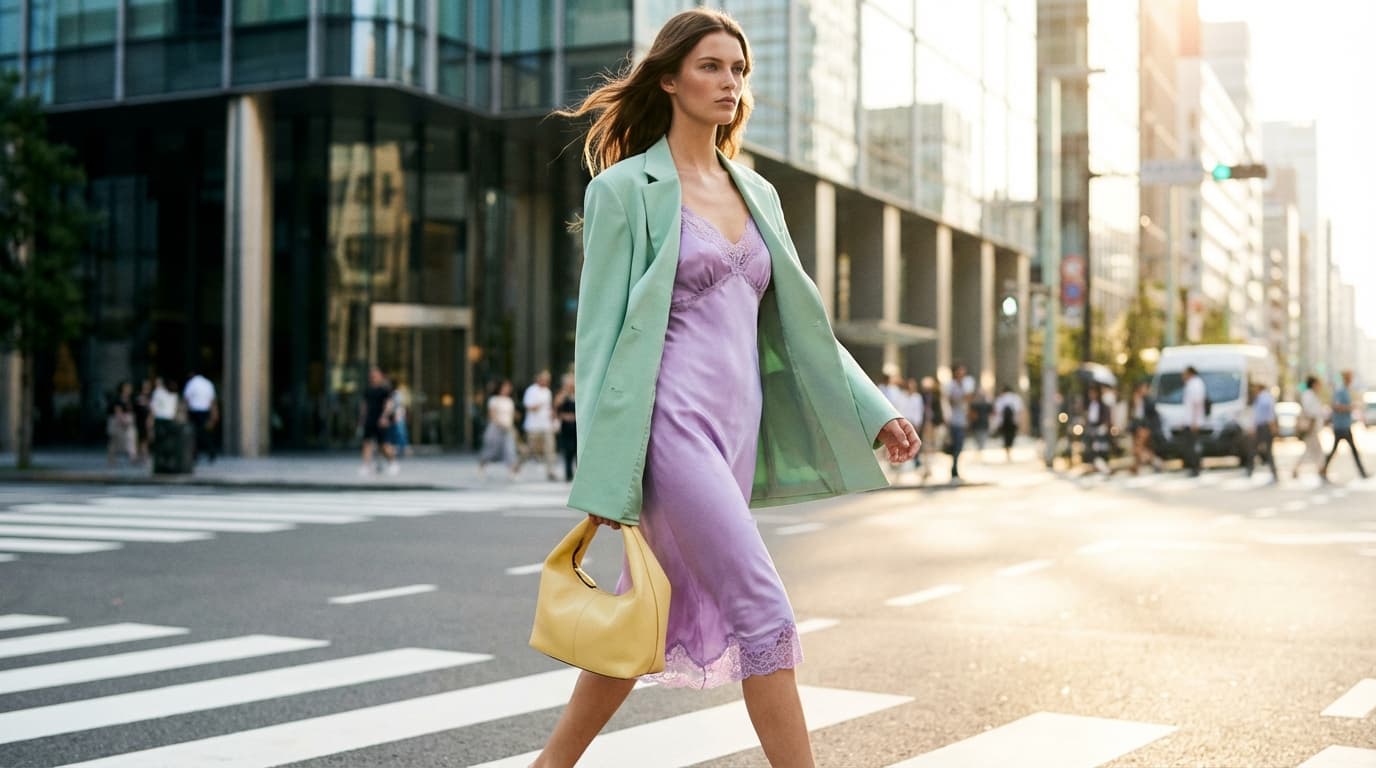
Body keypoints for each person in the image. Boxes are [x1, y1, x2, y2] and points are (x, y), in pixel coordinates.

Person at [534, 11, 919, 768]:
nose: (729, 83)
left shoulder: (759, 193)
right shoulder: (625, 190)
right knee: (763, 610)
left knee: (653, 609)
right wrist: (607, 475)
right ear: (670, 78)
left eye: (738, 70)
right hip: (670, 427)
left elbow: (804, 327)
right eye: (711, 67)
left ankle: (551, 765)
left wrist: (877, 410)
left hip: (735, 431)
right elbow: (601, 337)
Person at [1320, 369, 1367, 480]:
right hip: (1341, 426)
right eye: (1350, 377)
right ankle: (1362, 473)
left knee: (1336, 450)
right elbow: (1336, 406)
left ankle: (1323, 469)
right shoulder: (1340, 391)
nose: (1351, 380)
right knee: (1351, 450)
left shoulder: (1345, 390)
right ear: (1346, 378)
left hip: (1345, 425)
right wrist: (1350, 407)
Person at [358, 366, 398, 476]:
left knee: (384, 445)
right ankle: (365, 466)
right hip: (370, 420)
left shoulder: (385, 390)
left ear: (380, 376)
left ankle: (393, 463)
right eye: (371, 376)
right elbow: (364, 406)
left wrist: (384, 417)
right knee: (367, 443)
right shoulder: (368, 390)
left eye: (375, 375)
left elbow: (389, 404)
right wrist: (362, 419)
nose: (373, 378)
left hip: (381, 420)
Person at [521, 370, 559, 481]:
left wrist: (553, 416)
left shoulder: (547, 392)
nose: (546, 382)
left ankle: (550, 471)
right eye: (544, 379)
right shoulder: (531, 390)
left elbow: (549, 408)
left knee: (550, 449)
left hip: (546, 425)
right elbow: (529, 407)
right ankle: (517, 465)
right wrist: (538, 406)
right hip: (533, 426)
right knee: (530, 449)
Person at [478, 380, 519, 480]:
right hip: (496, 428)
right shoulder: (494, 400)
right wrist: (500, 423)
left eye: (509, 388)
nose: (507, 389)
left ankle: (512, 472)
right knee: (491, 450)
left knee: (510, 450)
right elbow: (492, 415)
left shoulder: (509, 401)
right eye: (505, 387)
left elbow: (511, 416)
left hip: (507, 428)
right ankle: (482, 467)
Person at [944, 364, 974, 482]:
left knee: (959, 446)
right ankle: (954, 471)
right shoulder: (951, 385)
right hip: (953, 420)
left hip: (963, 420)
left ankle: (955, 469)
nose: (962, 375)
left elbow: (969, 399)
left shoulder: (966, 384)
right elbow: (951, 400)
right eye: (960, 372)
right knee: (956, 446)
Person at [1292, 375, 1326, 479]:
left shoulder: (1312, 395)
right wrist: (1312, 423)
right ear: (1314, 384)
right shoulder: (1308, 395)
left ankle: (1321, 468)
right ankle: (1321, 468)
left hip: (1314, 426)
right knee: (1314, 449)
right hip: (1311, 426)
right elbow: (1310, 411)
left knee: (1312, 449)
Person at [182, 369, 218, 464]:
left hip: (194, 412)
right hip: (205, 411)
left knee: (194, 434)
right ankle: (211, 453)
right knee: (206, 433)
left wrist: (184, 412)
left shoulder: (191, 383)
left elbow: (186, 399)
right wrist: (214, 414)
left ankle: (195, 455)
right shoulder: (208, 384)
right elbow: (212, 401)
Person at [1248, 382, 1279, 482]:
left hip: (1265, 426)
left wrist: (1272, 426)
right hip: (1262, 426)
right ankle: (1251, 469)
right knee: (1259, 449)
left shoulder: (1264, 397)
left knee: (1261, 449)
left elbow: (1269, 413)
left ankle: (1252, 469)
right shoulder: (1261, 398)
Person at [1179, 365, 1207, 477]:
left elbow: (1197, 403)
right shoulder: (1191, 384)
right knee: (1189, 445)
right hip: (1190, 420)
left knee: (1193, 445)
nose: (1183, 376)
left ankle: (1196, 467)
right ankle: (1193, 466)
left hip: (1193, 421)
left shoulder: (1196, 384)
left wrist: (1194, 421)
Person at [1128, 381, 1159, 474]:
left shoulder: (1148, 401)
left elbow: (1150, 416)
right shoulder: (1135, 400)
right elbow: (1133, 415)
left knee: (1138, 447)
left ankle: (1156, 462)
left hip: (1145, 427)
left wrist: (1147, 428)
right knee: (1138, 447)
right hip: (1136, 427)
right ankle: (1138, 466)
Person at [106, 381, 137, 466]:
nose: (129, 389)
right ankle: (111, 459)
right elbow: (117, 411)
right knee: (114, 441)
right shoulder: (118, 398)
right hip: (117, 421)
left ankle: (133, 458)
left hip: (128, 420)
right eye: (127, 388)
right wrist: (122, 420)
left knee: (131, 439)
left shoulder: (130, 399)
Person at [555, 373, 578, 481]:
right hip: (566, 427)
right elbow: (557, 411)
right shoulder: (563, 396)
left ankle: (578, 475)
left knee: (577, 451)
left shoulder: (578, 395)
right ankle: (568, 475)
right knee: (568, 452)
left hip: (576, 427)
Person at [992, 385, 1023, 461]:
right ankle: (1009, 449)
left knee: (1005, 436)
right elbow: (1019, 410)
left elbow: (997, 410)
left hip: (1003, 422)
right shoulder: (1016, 398)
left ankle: (1007, 450)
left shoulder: (1001, 398)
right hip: (1013, 421)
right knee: (1011, 436)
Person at [970, 387, 993, 453]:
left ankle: (981, 448)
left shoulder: (986, 403)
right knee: (978, 436)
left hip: (984, 423)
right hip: (977, 423)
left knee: (982, 436)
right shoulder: (974, 403)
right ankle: (979, 448)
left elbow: (991, 412)